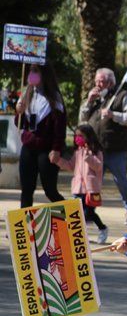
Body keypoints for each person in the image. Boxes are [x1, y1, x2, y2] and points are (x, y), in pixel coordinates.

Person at [79, 68, 127, 224]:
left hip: (115, 148)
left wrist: (114, 115)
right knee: (91, 180)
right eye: (97, 81)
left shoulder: (123, 96)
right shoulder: (94, 97)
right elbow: (82, 118)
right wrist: (89, 101)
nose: (99, 84)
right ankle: (88, 211)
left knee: (120, 180)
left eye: (102, 81)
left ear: (111, 82)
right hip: (95, 149)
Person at [15, 63, 66, 208]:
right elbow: (20, 124)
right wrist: (19, 111)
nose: (32, 74)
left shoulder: (54, 98)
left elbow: (59, 127)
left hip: (47, 150)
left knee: (50, 190)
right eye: (31, 71)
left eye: (35, 71)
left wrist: (56, 149)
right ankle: (26, 227)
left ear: (44, 74)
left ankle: (72, 217)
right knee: (26, 190)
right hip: (29, 147)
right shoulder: (27, 94)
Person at [53, 124, 109, 244]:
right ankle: (81, 236)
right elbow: (70, 166)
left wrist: (89, 157)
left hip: (91, 189)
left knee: (89, 213)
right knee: (78, 214)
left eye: (81, 136)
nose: (77, 138)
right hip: (77, 189)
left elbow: (98, 167)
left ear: (88, 137)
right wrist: (58, 161)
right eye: (76, 136)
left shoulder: (96, 151)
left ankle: (103, 228)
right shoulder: (78, 152)